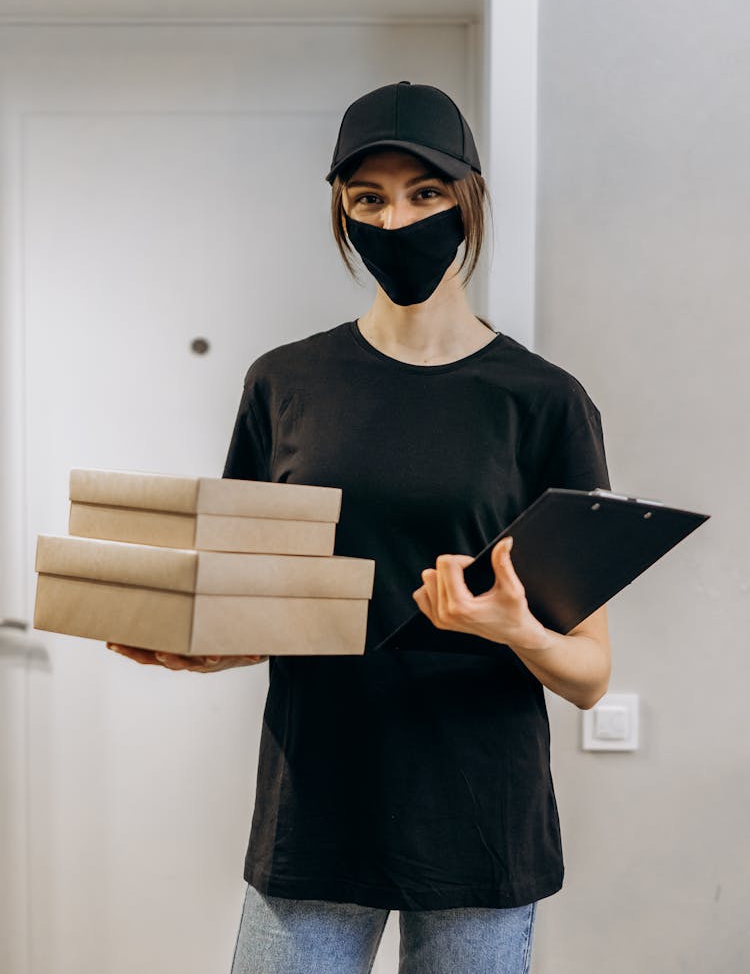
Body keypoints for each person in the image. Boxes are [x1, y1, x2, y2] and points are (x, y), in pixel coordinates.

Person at [109, 81, 612, 973]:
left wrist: (512, 626)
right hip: (317, 803)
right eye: (367, 198)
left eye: (425, 194)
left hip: (479, 820)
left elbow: (590, 673)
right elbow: (249, 600)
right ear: (340, 209)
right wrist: (202, 644)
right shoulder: (285, 383)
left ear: (470, 198)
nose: (396, 219)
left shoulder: (546, 403)